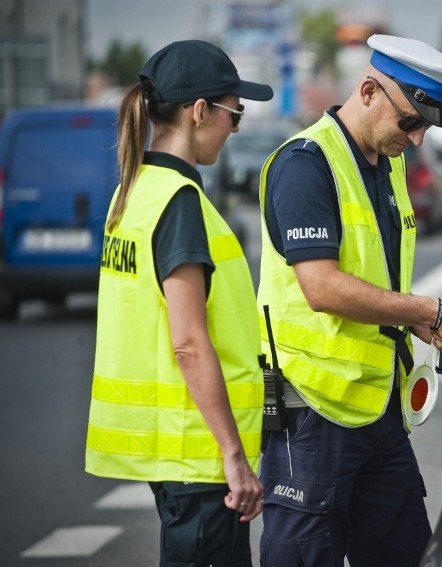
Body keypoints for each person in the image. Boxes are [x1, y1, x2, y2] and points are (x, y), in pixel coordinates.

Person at [255, 34, 442, 566]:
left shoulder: (389, 165)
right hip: (313, 413)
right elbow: (321, 286)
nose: (417, 139)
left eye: (427, 128)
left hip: (378, 409)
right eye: (411, 122)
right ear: (367, 91)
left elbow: (376, 284)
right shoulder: (306, 163)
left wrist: (438, 328)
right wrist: (429, 313)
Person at [84, 40, 273, 567]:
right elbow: (189, 342)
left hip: (171, 451)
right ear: (198, 112)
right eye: (234, 115)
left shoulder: (135, 191)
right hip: (198, 452)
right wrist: (234, 458)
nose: (234, 128)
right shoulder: (180, 203)